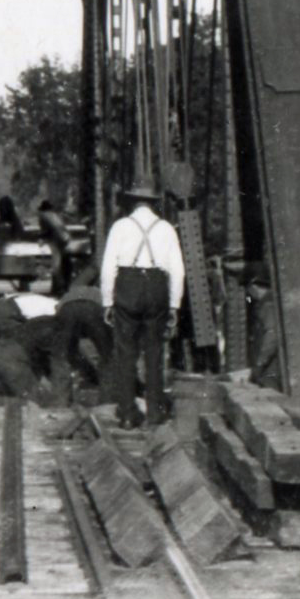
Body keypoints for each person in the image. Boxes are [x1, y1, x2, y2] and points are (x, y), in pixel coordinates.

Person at [100, 176, 185, 427]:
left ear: (132, 202)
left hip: (128, 284)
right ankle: (155, 412)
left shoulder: (120, 227)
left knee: (126, 352)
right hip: (157, 286)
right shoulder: (166, 228)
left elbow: (107, 268)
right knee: (155, 352)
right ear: (153, 203)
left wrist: (107, 302)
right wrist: (174, 305)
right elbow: (178, 271)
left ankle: (127, 414)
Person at [37, 199, 73, 295]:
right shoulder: (55, 216)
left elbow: (45, 231)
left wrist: (41, 239)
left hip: (56, 241)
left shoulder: (43, 216)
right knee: (63, 264)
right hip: (65, 240)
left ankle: (58, 288)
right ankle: (64, 287)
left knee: (56, 266)